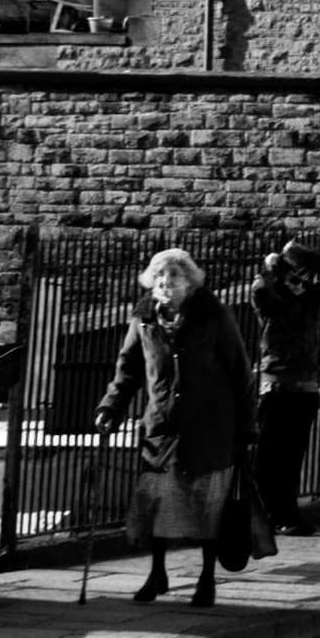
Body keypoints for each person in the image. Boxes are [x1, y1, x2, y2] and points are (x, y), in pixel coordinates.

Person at [98, 248, 253, 613]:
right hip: (162, 429)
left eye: (175, 278)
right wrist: (110, 406)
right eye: (160, 278)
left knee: (207, 507)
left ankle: (206, 579)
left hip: (211, 427)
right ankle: (157, 574)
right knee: (158, 504)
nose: (167, 284)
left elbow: (240, 373)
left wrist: (246, 428)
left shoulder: (215, 317)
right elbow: (128, 369)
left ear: (190, 282)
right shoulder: (143, 321)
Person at [248, 237, 320, 553]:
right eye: (292, 279)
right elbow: (259, 290)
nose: (299, 284)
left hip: (307, 385)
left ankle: (288, 512)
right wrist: (273, 267)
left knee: (293, 456)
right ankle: (268, 514)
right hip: (277, 384)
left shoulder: (310, 300)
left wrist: (298, 255)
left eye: (302, 279)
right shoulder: (270, 302)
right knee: (269, 456)